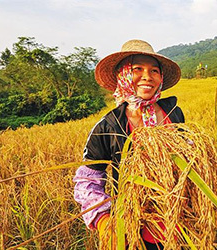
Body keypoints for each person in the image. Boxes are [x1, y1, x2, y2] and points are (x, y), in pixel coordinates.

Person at [73, 39, 184, 249]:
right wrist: (104, 221)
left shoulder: (174, 113)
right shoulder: (108, 126)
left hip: (174, 220)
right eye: (137, 69)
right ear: (122, 74)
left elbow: (186, 156)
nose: (147, 77)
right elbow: (87, 181)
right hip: (132, 227)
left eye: (154, 71)